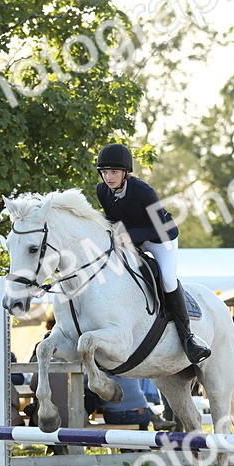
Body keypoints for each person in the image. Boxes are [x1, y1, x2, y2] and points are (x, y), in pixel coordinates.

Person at [94, 143, 210, 365]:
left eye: (114, 172)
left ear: (125, 172)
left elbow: (160, 227)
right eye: (105, 172)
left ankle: (189, 339)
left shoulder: (144, 192)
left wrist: (129, 236)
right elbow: (112, 219)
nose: (109, 177)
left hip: (160, 239)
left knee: (166, 278)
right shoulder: (102, 191)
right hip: (132, 238)